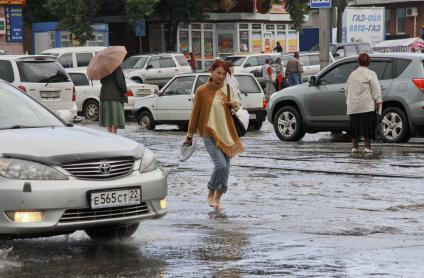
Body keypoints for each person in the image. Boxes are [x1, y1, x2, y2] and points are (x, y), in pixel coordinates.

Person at [184, 60, 244, 209]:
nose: (221, 76)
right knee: (220, 165)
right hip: (209, 133)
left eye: (224, 74)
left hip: (227, 133)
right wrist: (189, 135)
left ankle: (218, 197)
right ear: (211, 72)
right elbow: (195, 114)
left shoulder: (229, 89)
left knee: (226, 169)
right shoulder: (202, 91)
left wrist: (234, 105)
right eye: (218, 73)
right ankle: (211, 192)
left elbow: (238, 104)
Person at [345, 53, 382, 154]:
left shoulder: (352, 74)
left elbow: (346, 89)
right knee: (368, 126)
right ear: (369, 62)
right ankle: (367, 147)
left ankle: (354, 147)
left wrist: (349, 100)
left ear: (358, 62)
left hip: (353, 106)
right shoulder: (371, 74)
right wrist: (378, 101)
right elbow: (376, 89)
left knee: (354, 127)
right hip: (366, 106)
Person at [99, 66, 128, 134]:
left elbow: (102, 81)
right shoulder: (116, 67)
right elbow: (120, 81)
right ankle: (114, 137)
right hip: (115, 97)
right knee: (115, 120)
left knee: (108, 120)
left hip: (104, 96)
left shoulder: (103, 68)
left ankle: (110, 138)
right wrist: (124, 91)